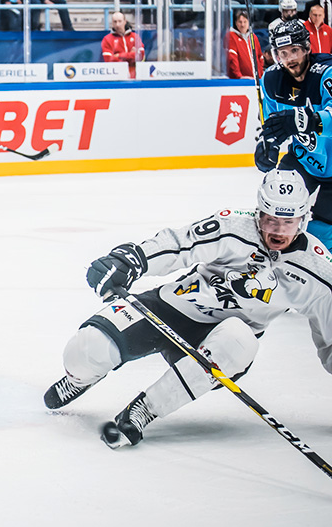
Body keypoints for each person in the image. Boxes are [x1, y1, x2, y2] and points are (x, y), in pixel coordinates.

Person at [43, 169, 332, 449]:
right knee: (86, 350)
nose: (277, 231)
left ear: (304, 219)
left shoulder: (318, 271)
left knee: (239, 340)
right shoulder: (234, 225)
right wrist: (134, 259)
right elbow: (181, 244)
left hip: (223, 339)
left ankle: (146, 409)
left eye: (288, 222)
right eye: (270, 220)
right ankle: (80, 378)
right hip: (173, 306)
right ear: (259, 212)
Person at [255, 18, 332, 246]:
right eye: (283, 53)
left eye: (295, 51)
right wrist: (267, 145)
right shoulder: (271, 79)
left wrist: (306, 120)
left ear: (308, 48)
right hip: (303, 160)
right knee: (275, 214)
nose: (290, 59)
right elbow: (272, 123)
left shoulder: (326, 74)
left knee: (321, 233)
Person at [101, 10, 144, 79]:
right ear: (112, 23)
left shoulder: (135, 36)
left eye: (120, 21)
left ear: (125, 21)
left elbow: (141, 56)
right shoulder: (107, 39)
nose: (117, 24)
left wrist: (119, 55)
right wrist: (131, 55)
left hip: (136, 76)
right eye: (115, 22)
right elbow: (109, 60)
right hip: (116, 77)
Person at [226, 10, 263, 79]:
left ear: (249, 23)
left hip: (256, 80)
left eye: (245, 22)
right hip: (240, 81)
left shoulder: (253, 37)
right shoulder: (231, 36)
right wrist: (239, 76)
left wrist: (260, 75)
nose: (242, 25)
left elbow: (260, 57)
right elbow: (232, 58)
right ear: (236, 23)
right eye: (240, 22)